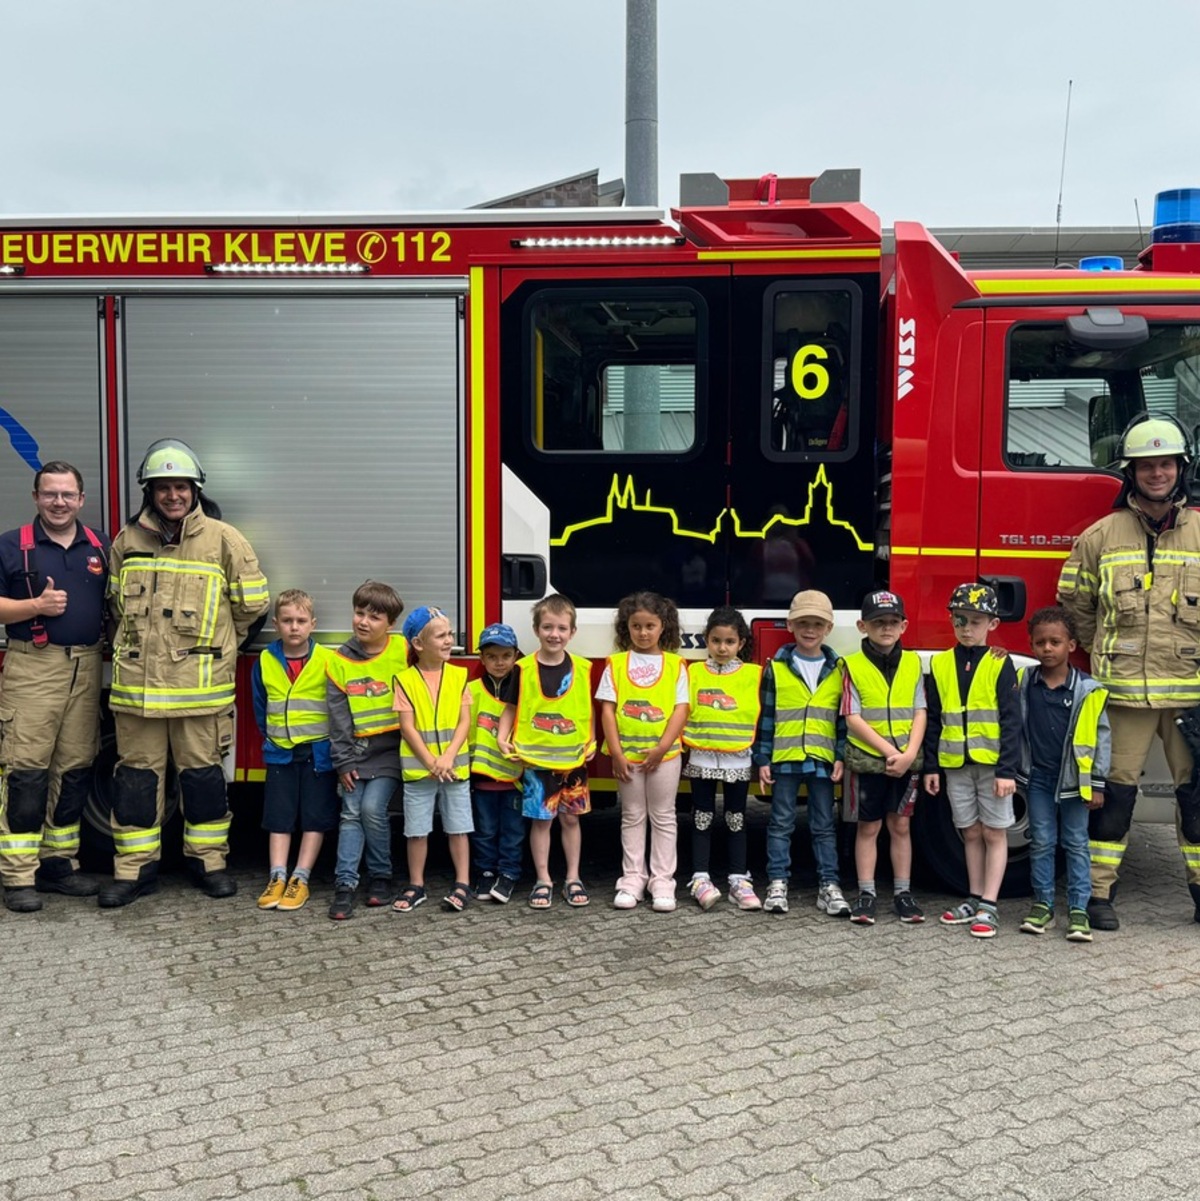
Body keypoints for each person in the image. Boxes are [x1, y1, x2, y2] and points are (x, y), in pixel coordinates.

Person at [102, 440, 269, 907]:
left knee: (203, 781)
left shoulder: (224, 539)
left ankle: (208, 864)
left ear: (195, 490)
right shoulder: (127, 542)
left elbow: (252, 606)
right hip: (138, 695)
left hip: (199, 694)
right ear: (150, 493)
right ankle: (134, 871)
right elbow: (114, 607)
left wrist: (218, 645)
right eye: (163, 488)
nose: (172, 495)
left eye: (181, 487)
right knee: (135, 784)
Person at [1057, 413, 1200, 930]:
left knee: (1196, 797)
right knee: (1113, 796)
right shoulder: (1101, 535)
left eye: (1166, 464)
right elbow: (1074, 602)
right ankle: (1098, 895)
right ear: (1131, 473)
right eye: (1146, 466)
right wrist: (1105, 649)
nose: (1157, 474)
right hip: (1121, 695)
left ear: (1181, 469)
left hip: (1190, 697)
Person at [0, 461, 108, 912]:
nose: (58, 502)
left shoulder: (100, 546)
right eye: (50, 494)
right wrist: (35, 606)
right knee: (26, 771)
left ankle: (57, 866)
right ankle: (17, 876)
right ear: (35, 497)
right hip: (33, 667)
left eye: (67, 495)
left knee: (74, 769)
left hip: (86, 666)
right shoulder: (11, 545)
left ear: (81, 499)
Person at [922, 583, 1020, 939]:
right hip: (954, 765)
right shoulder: (940, 663)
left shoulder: (999, 662)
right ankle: (974, 897)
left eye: (976, 621)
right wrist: (931, 766)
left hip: (992, 767)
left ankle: (989, 904)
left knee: (994, 831)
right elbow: (934, 719)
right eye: (960, 620)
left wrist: (1007, 769)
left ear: (992, 624)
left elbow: (1012, 721)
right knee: (970, 831)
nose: (967, 628)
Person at [1016, 606, 1110, 943]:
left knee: (1076, 843)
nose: (1047, 648)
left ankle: (1079, 909)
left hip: (1075, 783)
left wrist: (1097, 783)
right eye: (1040, 642)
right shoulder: (1024, 681)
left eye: (1055, 642)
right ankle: (1043, 904)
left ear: (1071, 645)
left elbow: (1101, 738)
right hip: (1039, 778)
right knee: (1042, 841)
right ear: (1031, 645)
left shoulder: (1088, 690)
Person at [497, 594, 595, 911]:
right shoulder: (523, 669)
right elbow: (510, 708)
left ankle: (573, 878)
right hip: (537, 765)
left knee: (570, 821)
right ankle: (543, 880)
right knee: (541, 823)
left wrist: (592, 739)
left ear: (572, 632)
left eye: (562, 628)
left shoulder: (582, 668)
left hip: (573, 764)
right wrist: (501, 737)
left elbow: (587, 710)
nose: (555, 634)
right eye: (548, 627)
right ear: (536, 630)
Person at [754, 590, 848, 917]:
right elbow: (766, 717)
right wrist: (762, 759)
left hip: (822, 762)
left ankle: (829, 886)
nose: (810, 630)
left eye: (818, 624)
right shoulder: (777, 668)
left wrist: (840, 756)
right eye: (803, 623)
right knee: (781, 824)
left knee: (824, 826)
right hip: (785, 759)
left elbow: (842, 720)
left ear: (828, 628)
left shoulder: (838, 669)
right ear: (791, 625)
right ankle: (777, 883)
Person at [598, 590, 690, 913]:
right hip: (628, 757)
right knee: (632, 815)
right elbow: (607, 710)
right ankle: (632, 879)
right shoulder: (616, 664)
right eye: (636, 626)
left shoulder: (675, 665)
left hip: (665, 756)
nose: (643, 632)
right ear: (627, 627)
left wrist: (662, 747)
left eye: (650, 626)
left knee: (663, 816)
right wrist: (617, 754)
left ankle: (663, 881)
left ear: (663, 626)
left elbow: (681, 709)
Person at [841, 589, 927, 926]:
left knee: (901, 825)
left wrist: (910, 754)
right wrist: (891, 753)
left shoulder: (914, 663)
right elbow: (852, 717)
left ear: (904, 625)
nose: (886, 628)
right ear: (863, 626)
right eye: (878, 622)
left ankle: (903, 893)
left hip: (906, 759)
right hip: (868, 759)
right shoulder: (851, 664)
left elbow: (921, 711)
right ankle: (866, 894)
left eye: (893, 622)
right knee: (869, 826)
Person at [251, 589, 338, 913]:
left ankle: (300, 878)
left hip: (317, 753)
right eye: (287, 620)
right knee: (279, 817)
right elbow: (260, 707)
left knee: (314, 817)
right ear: (276, 624)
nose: (294, 627)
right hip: (280, 752)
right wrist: (273, 737)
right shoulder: (265, 660)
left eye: (301, 620)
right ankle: (277, 876)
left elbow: (337, 708)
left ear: (313, 624)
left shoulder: (327, 660)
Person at [324, 580, 407, 921]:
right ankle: (345, 884)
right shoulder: (338, 661)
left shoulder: (403, 650)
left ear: (391, 624)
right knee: (350, 812)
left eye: (374, 617)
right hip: (355, 753)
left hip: (390, 752)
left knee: (372, 808)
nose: (363, 622)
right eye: (359, 613)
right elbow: (338, 719)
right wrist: (343, 762)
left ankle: (381, 876)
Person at [392, 606, 474, 913]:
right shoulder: (404, 680)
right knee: (416, 831)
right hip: (420, 772)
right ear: (418, 643)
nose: (449, 640)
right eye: (441, 636)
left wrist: (448, 757)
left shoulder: (459, 675)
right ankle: (416, 885)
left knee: (458, 827)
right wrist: (432, 762)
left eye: (450, 634)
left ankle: (463, 883)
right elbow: (407, 728)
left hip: (454, 769)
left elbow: (464, 722)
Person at [683, 605, 762, 911]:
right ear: (706, 640)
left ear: (741, 642)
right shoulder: (693, 672)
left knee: (736, 818)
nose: (722, 648)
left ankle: (739, 879)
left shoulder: (752, 675)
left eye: (730, 641)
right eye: (716, 641)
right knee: (701, 817)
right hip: (702, 755)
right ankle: (700, 878)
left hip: (737, 758)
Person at [467, 622, 524, 904]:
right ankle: (486, 873)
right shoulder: (472, 690)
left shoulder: (525, 690)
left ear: (516, 655)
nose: (499, 662)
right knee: (484, 831)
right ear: (481, 658)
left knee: (513, 832)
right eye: (491, 656)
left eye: (505, 656)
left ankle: (509, 873)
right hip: (483, 778)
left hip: (515, 780)